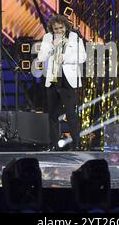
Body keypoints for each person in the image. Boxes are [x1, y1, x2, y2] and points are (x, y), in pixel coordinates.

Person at [37, 15, 86, 151]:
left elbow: (82, 57)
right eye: (55, 29)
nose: (58, 31)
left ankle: (76, 144)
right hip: (53, 79)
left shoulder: (75, 38)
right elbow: (41, 57)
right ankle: (54, 145)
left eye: (61, 28)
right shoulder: (48, 38)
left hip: (68, 79)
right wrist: (51, 46)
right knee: (53, 114)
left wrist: (64, 58)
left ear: (66, 27)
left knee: (71, 114)